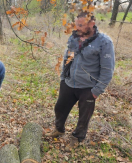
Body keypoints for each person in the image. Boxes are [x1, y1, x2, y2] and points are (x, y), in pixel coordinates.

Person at [46, 12, 115, 146]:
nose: (77, 28)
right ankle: (59, 130)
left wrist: (97, 90)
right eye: (76, 24)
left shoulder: (104, 42)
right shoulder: (74, 38)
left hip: (88, 87)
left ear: (92, 24)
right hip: (69, 82)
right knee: (60, 108)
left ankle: (77, 138)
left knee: (84, 117)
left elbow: (108, 69)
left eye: (81, 25)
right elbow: (67, 58)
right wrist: (63, 77)